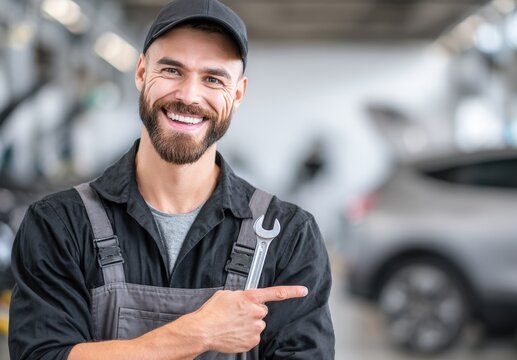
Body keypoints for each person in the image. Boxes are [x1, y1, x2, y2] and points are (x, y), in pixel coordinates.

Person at [8, 0, 335, 359]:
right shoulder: (59, 225)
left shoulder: (288, 236)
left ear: (238, 93)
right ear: (140, 72)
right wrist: (195, 333)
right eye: (172, 71)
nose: (189, 96)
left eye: (213, 78)